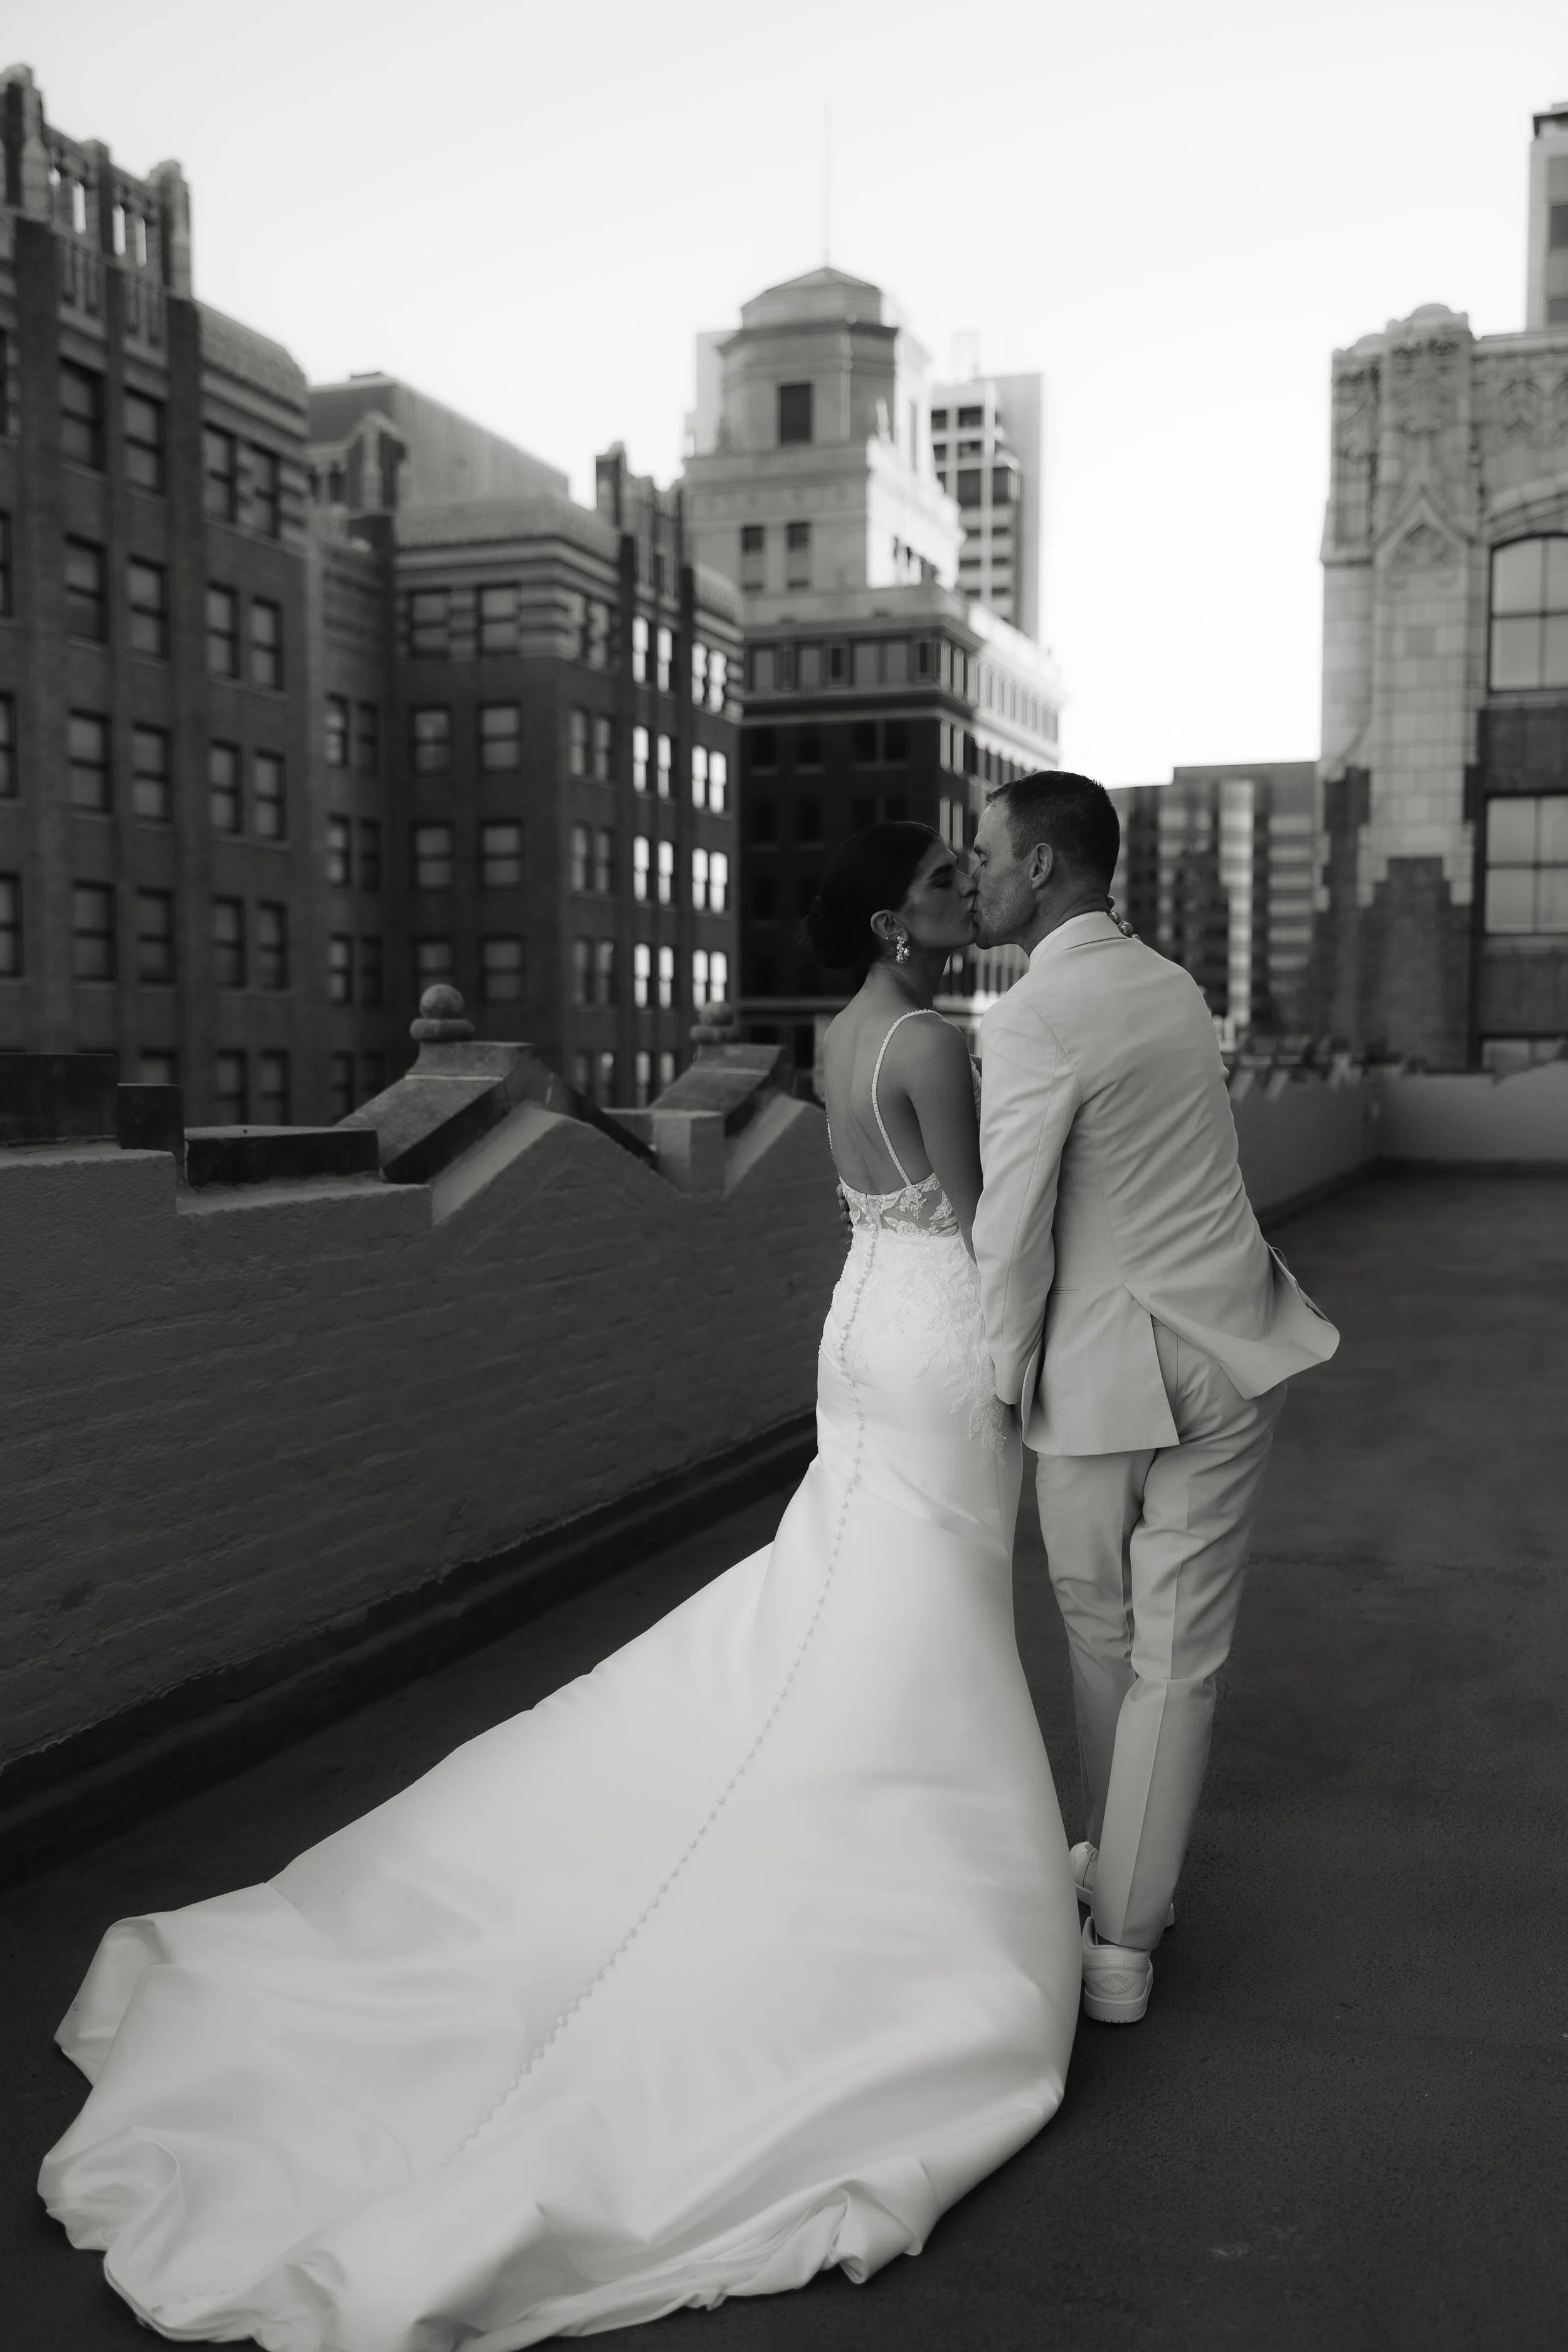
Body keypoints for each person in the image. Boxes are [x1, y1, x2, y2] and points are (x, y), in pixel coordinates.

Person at [40, 822, 1082, 2352]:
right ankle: (908, 1881)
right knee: (920, 1591)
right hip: (935, 1344)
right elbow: (996, 1235)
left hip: (858, 1328)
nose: (960, 895)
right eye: (940, 881)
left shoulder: (843, 1034)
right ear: (888, 917)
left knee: (854, 1580)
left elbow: (888, 1205)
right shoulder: (929, 1039)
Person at [970, 771, 1340, 2027]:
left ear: (1040, 868)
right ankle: (1123, 1933)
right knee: (1181, 1656)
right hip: (1230, 1340)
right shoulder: (1174, 985)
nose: (969, 874)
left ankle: (1113, 1883)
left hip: (1103, 1367)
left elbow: (1011, 1228)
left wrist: (991, 1377)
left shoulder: (1030, 1014)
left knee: (1099, 1632)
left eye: (982, 853)